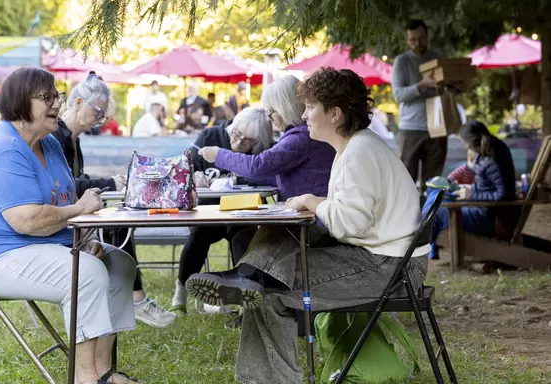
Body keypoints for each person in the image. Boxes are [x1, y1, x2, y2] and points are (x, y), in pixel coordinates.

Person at [188, 67, 428, 384]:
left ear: (335, 114)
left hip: (390, 267)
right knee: (271, 263)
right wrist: (312, 201)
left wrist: (314, 203)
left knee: (271, 291)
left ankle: (248, 282)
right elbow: (353, 215)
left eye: (310, 107)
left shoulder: (358, 152)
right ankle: (247, 277)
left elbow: (348, 224)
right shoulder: (356, 146)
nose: (303, 115)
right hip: (383, 255)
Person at [0, 67, 140, 384]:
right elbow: (27, 219)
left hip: (32, 246)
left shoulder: (50, 143)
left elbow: (62, 199)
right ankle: (85, 377)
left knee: (119, 263)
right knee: (87, 273)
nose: (57, 103)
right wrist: (78, 210)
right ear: (19, 103)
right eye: (47, 97)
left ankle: (103, 370)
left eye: (58, 95)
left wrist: (84, 239)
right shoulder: (5, 148)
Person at [54, 73, 176, 327]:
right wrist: (110, 183)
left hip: (76, 214)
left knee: (119, 221)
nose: (99, 121)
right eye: (97, 112)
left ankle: (132, 299)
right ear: (77, 104)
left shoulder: (73, 140)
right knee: (117, 225)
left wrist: (107, 182)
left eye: (103, 115)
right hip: (62, 220)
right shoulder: (59, 138)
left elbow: (78, 180)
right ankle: (135, 300)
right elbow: (68, 187)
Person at [170, 107, 275, 315]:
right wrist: (195, 175)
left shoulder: (265, 149)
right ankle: (180, 295)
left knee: (242, 238)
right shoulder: (212, 135)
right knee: (199, 234)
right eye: (236, 134)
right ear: (232, 126)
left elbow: (268, 175)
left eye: (247, 141)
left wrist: (237, 179)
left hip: (244, 211)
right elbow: (186, 165)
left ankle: (245, 302)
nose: (238, 142)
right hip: (210, 210)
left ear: (258, 142)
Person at [198, 75, 336, 202]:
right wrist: (239, 179)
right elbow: (280, 176)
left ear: (285, 109)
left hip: (309, 219)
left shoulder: (299, 138)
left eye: (272, 111)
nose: (270, 118)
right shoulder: (303, 134)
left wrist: (218, 155)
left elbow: (257, 166)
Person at [428, 121, 516, 260]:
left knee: (435, 211)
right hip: (484, 209)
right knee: (438, 196)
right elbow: (489, 185)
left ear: (470, 143)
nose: (465, 147)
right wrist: (470, 189)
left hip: (488, 218)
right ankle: (426, 245)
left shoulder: (492, 158)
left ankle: (420, 248)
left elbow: (504, 194)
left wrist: (472, 193)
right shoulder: (491, 149)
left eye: (465, 143)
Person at [392, 19, 447, 192]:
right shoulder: (402, 61)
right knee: (405, 183)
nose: (417, 43)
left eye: (421, 38)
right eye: (413, 40)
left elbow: (453, 90)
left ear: (427, 36)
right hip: (410, 129)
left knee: (433, 184)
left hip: (437, 127)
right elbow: (398, 95)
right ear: (407, 40)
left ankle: (431, 218)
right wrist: (421, 85)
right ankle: (409, 219)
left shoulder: (439, 57)